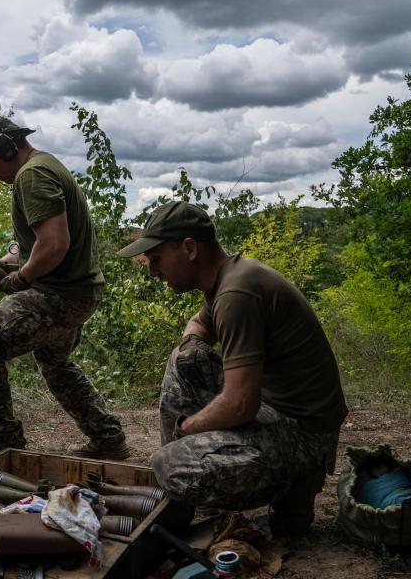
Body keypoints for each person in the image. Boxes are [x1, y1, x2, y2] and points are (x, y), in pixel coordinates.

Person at [117, 200, 348, 535]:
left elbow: (241, 403)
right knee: (183, 359)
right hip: (279, 409)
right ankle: (182, 499)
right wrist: (193, 345)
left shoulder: (236, 294)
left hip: (305, 435)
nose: (153, 272)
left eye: (156, 260)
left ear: (189, 248)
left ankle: (291, 491)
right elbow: (198, 324)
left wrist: (188, 428)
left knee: (169, 466)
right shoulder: (228, 277)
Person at [0, 115, 128, 459]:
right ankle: (107, 438)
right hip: (79, 292)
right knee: (54, 361)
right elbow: (37, 240)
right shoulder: (45, 165)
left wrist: (19, 279)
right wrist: (8, 261)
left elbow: (53, 245)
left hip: (58, 295)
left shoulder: (31, 176)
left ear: (2, 149)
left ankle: (6, 450)